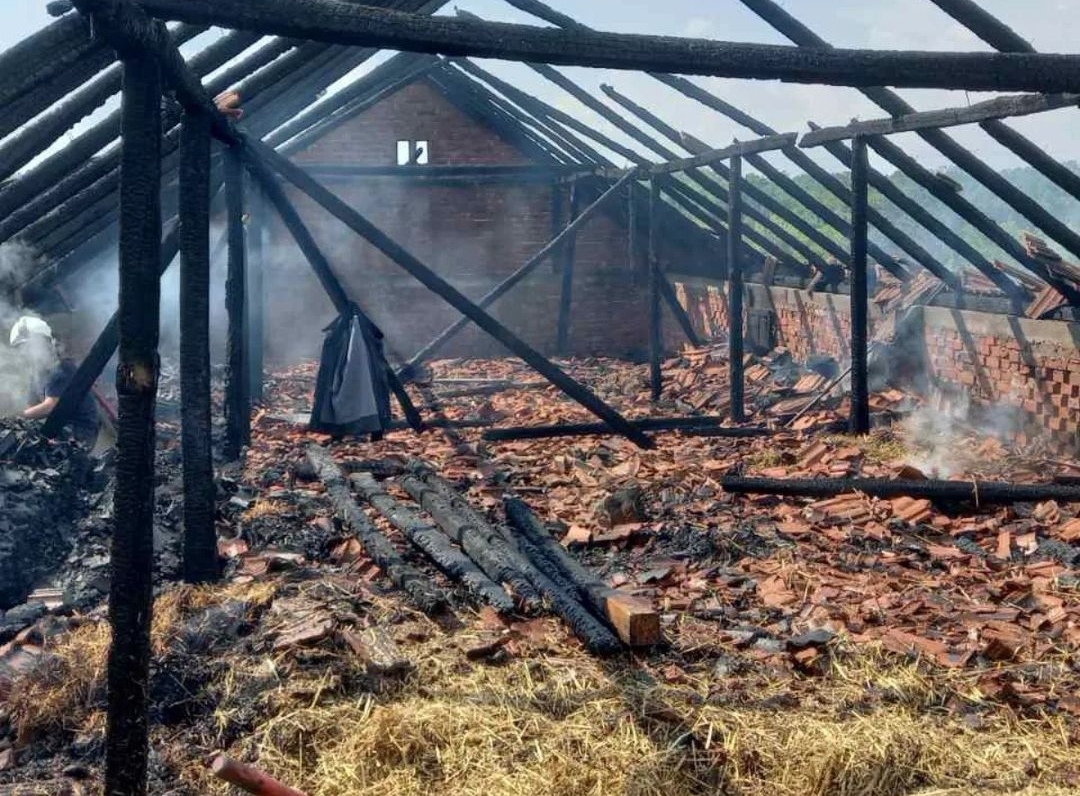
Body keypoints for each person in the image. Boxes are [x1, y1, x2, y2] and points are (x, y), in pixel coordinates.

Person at [10, 316, 99, 446]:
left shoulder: (62, 368)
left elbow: (51, 406)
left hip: (79, 431)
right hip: (60, 430)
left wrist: (17, 417)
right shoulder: (36, 375)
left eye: (25, 346)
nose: (23, 353)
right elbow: (32, 409)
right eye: (20, 349)